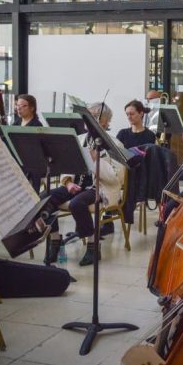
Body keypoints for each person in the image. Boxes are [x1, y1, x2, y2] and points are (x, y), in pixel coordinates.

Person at [41, 102, 126, 266]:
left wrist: (96, 161)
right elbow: (67, 165)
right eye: (86, 116)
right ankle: (55, 240)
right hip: (75, 186)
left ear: (105, 122)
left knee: (77, 204)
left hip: (100, 188)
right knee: (45, 197)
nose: (87, 120)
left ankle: (93, 246)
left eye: (93, 117)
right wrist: (68, 183)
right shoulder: (79, 139)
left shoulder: (115, 144)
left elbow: (116, 178)